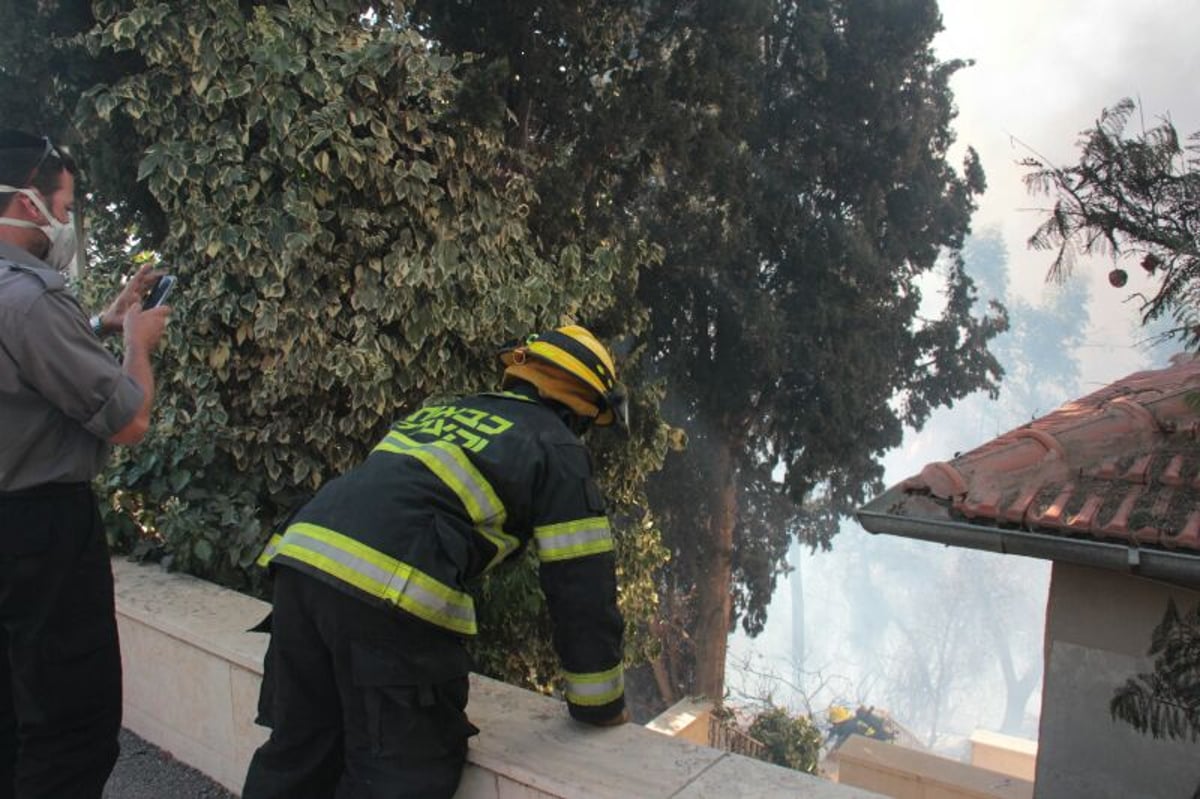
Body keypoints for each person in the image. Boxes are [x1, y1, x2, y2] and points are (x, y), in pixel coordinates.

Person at [244, 325, 631, 799]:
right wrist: (600, 705)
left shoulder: (440, 411)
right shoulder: (558, 447)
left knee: (299, 750)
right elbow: (580, 588)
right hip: (387, 595)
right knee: (398, 770)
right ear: (584, 407)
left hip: (299, 562)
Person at [0, 129, 170, 798]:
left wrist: (100, 322)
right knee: (71, 721)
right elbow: (129, 417)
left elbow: (26, 365)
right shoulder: (32, 300)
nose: (67, 222)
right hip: (39, 534)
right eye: (64, 207)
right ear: (24, 204)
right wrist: (137, 343)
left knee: (12, 711)